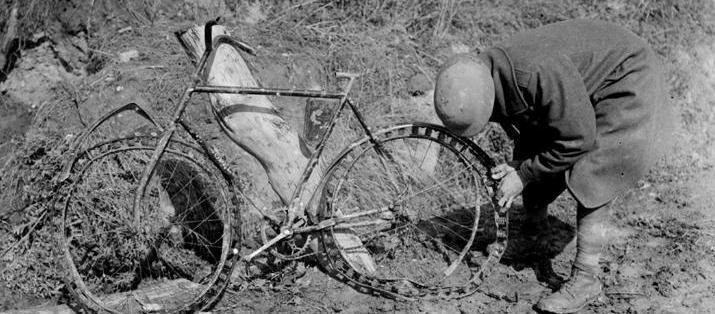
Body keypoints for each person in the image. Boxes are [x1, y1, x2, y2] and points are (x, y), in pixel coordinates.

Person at [433, 19, 673, 313]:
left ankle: (586, 278)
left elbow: (577, 139)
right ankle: (535, 238)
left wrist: (524, 174)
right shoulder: (486, 72)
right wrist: (521, 165)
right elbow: (534, 126)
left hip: (626, 76)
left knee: (593, 171)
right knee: (532, 148)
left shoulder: (533, 75)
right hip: (578, 81)